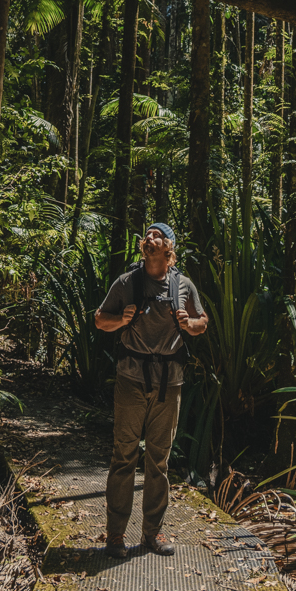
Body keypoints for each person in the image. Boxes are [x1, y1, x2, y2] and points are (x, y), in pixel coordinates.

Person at [94, 222, 208, 558]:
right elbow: (101, 319)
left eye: (157, 235)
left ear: (169, 248)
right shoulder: (127, 283)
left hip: (169, 382)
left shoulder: (183, 285)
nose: (149, 238)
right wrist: (123, 320)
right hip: (131, 379)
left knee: (158, 460)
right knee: (124, 455)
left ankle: (152, 534)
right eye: (147, 235)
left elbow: (203, 322)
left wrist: (191, 325)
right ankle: (115, 535)